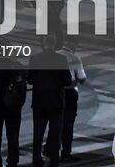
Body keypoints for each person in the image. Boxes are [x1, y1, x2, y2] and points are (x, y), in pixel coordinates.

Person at [30, 36, 75, 167]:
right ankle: (54, 162)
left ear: (43, 44)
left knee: (38, 134)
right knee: (55, 134)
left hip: (39, 102)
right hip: (56, 102)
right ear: (55, 44)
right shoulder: (61, 59)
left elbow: (30, 79)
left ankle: (37, 160)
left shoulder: (35, 59)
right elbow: (67, 81)